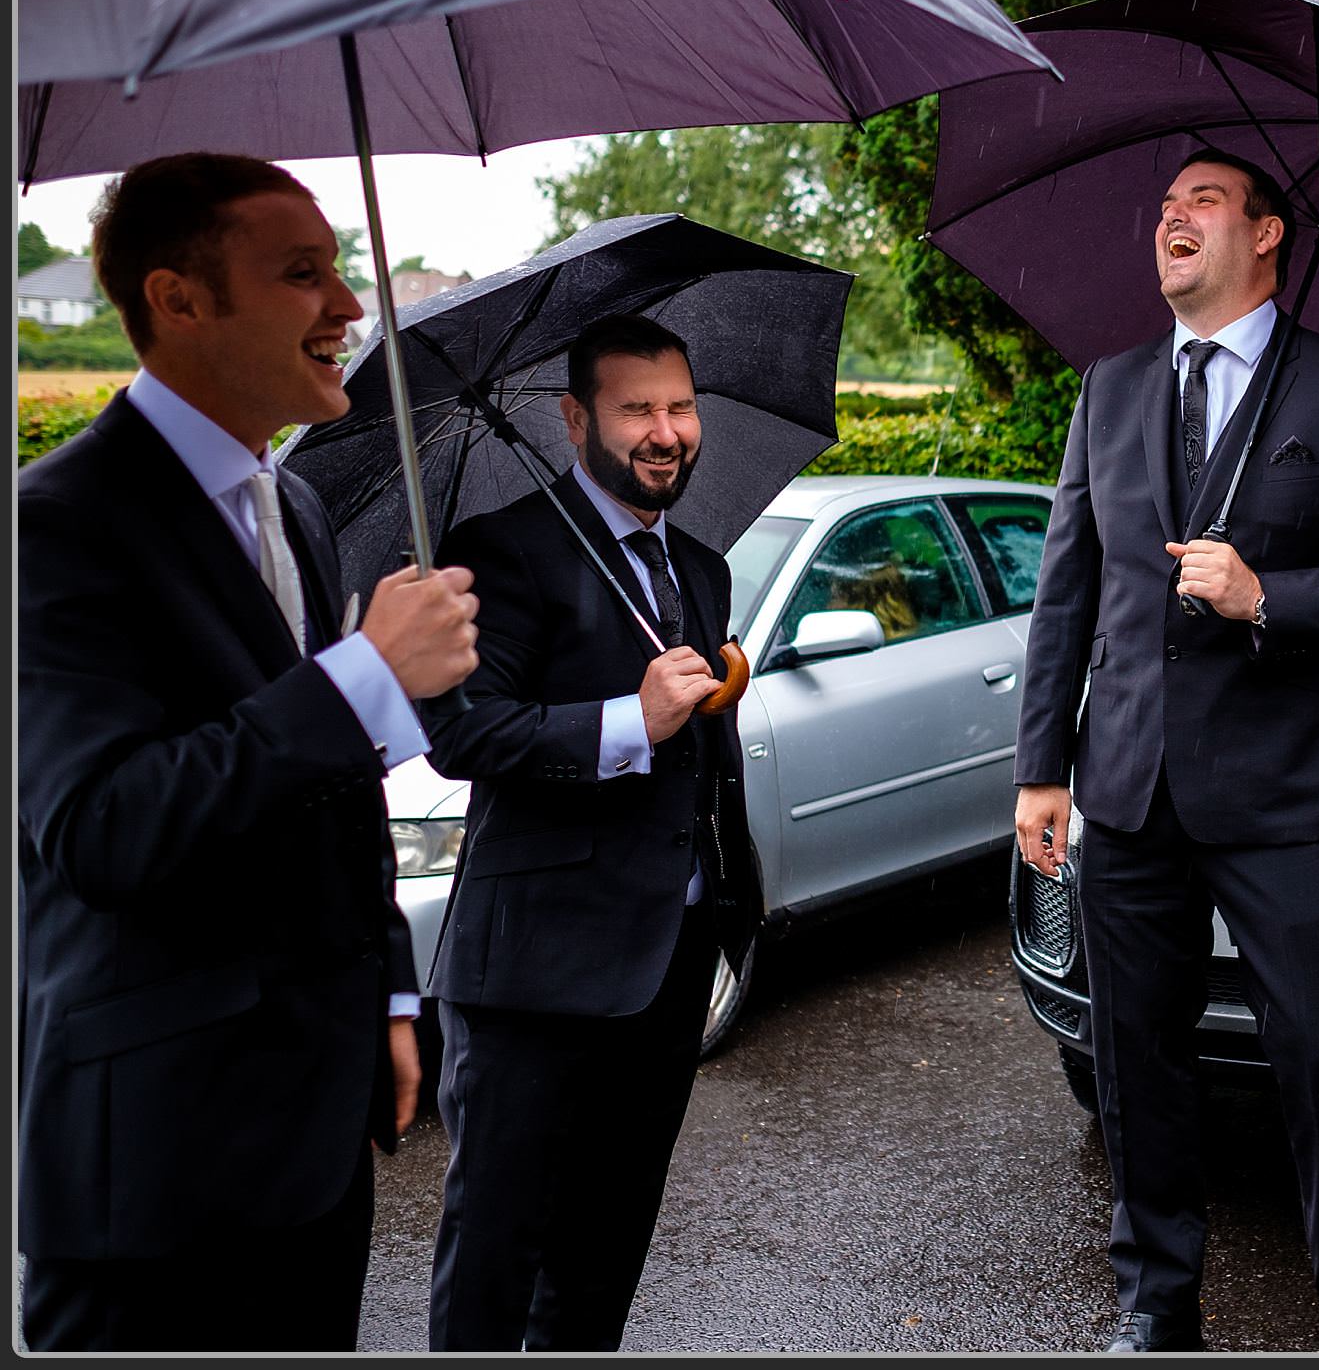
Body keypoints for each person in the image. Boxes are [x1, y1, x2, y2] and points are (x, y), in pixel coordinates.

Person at [17, 152, 481, 1350]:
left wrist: (385, 984)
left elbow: (335, 790)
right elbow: (103, 827)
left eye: (338, 268)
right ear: (178, 301)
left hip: (318, 1128)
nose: (348, 307)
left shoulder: (300, 504)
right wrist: (367, 675)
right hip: (157, 1156)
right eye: (301, 273)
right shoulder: (52, 525)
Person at [1014, 149, 1319, 1353]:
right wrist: (1041, 768)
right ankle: (1155, 1297)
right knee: (1132, 1057)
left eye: (1201, 201)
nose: (1171, 220)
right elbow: (1068, 594)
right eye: (1163, 208)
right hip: (1130, 785)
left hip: (1283, 789)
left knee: (1318, 1048)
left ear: (1266, 236)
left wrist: (1267, 597)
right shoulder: (1110, 387)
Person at [421, 313, 764, 1351]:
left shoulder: (702, 568)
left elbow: (703, 764)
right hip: (534, 972)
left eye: (680, 406)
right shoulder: (498, 552)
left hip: (665, 969)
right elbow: (463, 733)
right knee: (495, 1254)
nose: (667, 432)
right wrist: (632, 718)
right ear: (575, 420)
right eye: (637, 411)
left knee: (605, 1251)